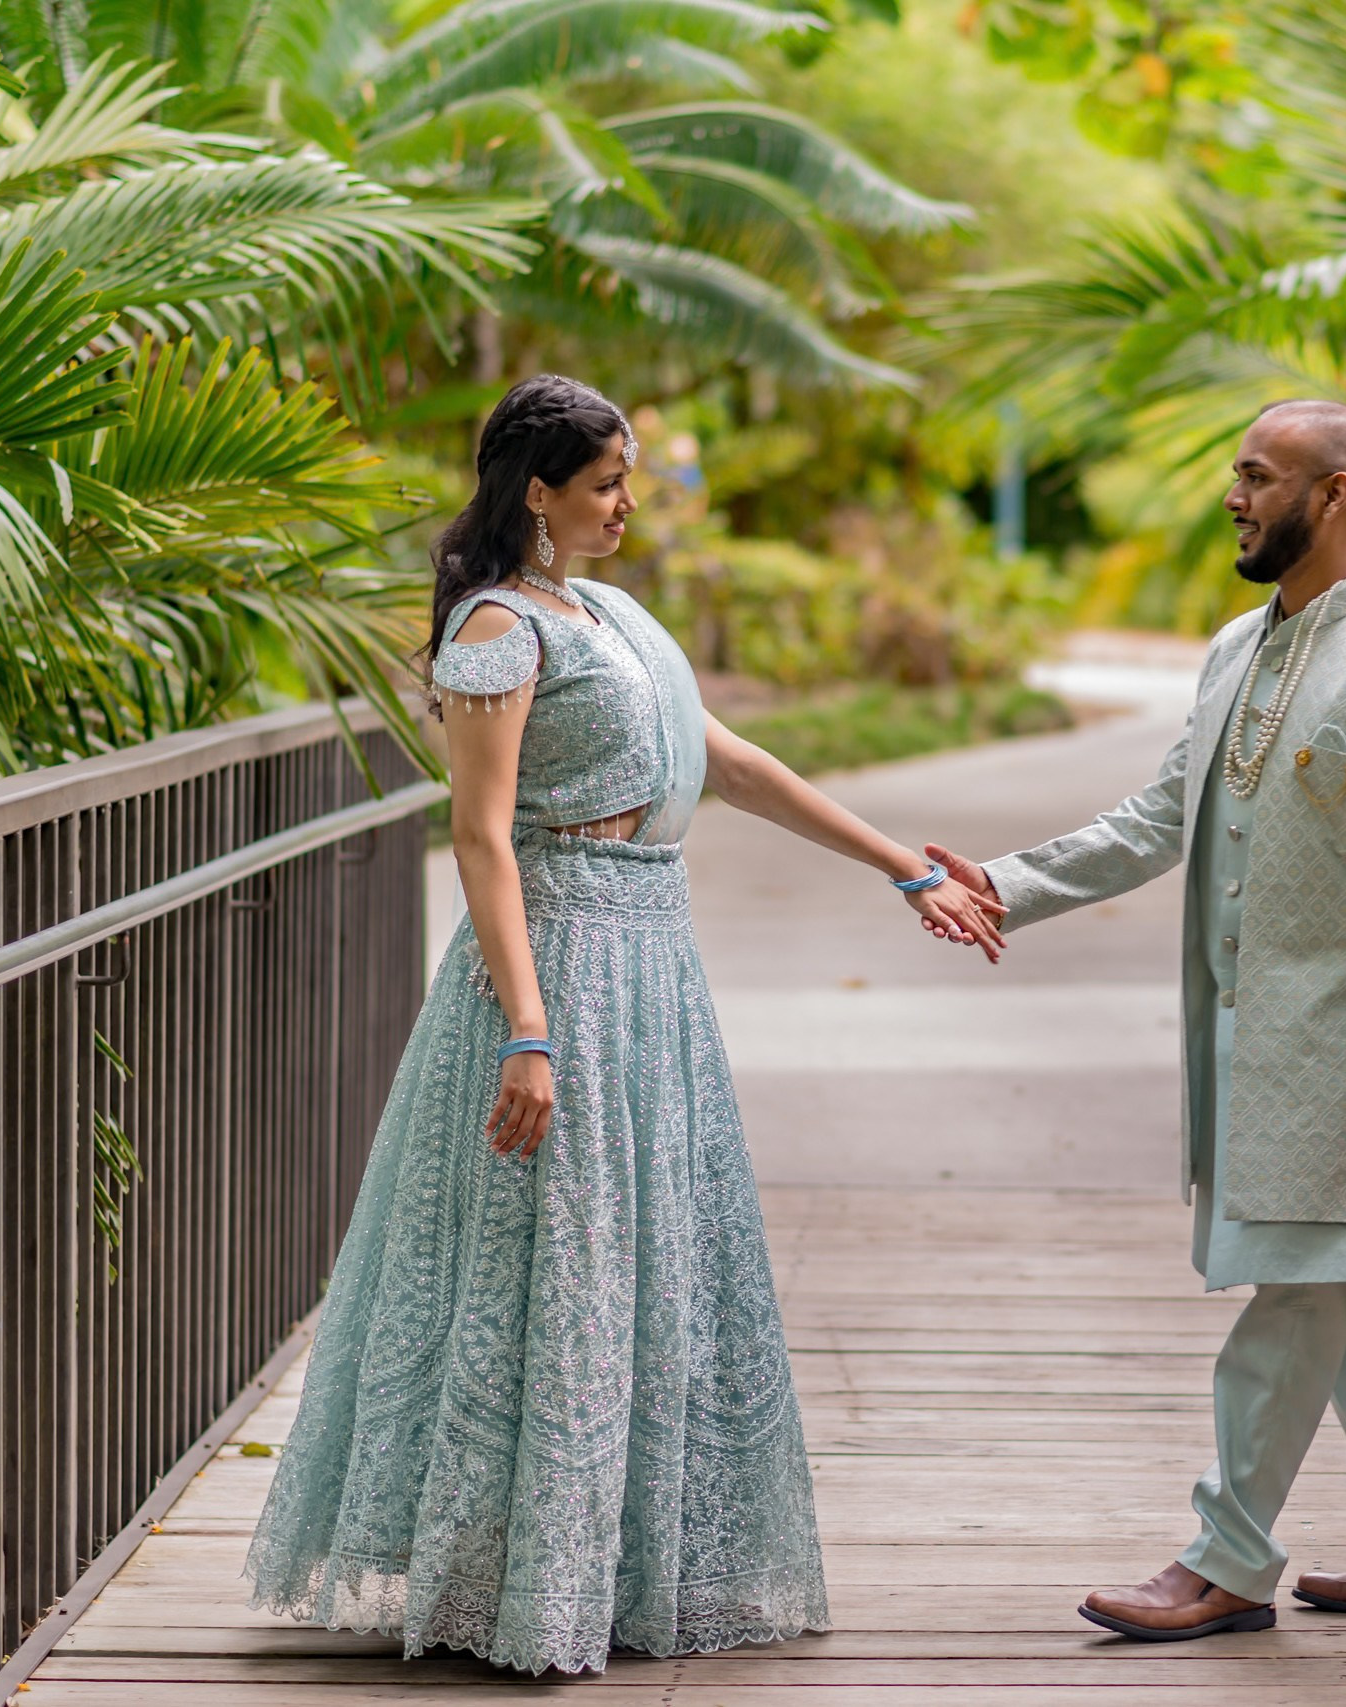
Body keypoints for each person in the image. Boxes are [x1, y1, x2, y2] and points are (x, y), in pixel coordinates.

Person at [244, 375, 1005, 1674]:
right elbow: (481, 836)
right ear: (537, 492)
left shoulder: (608, 613)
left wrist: (902, 867)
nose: (629, 503)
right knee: (554, 1263)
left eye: (630, 479)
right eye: (606, 484)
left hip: (654, 965)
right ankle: (523, 1585)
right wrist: (527, 1029)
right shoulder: (495, 626)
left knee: (639, 1257)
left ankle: (615, 1569)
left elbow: (729, 762)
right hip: (564, 966)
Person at [925, 400, 1346, 1640]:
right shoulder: (1235, 647)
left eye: (1257, 475)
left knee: (1296, 1297)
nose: (1234, 498)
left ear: (1334, 493)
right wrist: (1006, 885)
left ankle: (1225, 1560)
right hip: (1247, 1052)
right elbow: (1161, 816)